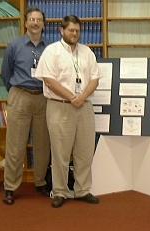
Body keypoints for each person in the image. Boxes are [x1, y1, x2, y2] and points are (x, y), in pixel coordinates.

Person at [34, 15, 101, 208]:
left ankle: (82, 190)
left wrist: (81, 97)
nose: (74, 34)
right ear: (62, 31)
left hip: (84, 107)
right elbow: (49, 80)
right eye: (71, 30)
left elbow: (95, 79)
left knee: (85, 152)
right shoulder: (51, 51)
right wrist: (72, 97)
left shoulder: (87, 52)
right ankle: (60, 191)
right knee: (60, 153)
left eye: (77, 31)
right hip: (59, 106)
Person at [1, 7, 51, 205]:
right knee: (15, 145)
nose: (35, 23)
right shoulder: (14, 45)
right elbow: (6, 72)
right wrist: (15, 90)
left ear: (44, 24)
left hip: (44, 98)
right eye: (31, 19)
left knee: (43, 143)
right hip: (20, 96)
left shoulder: (51, 47)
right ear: (26, 22)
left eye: (39, 20)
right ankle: (10, 187)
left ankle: (40, 182)